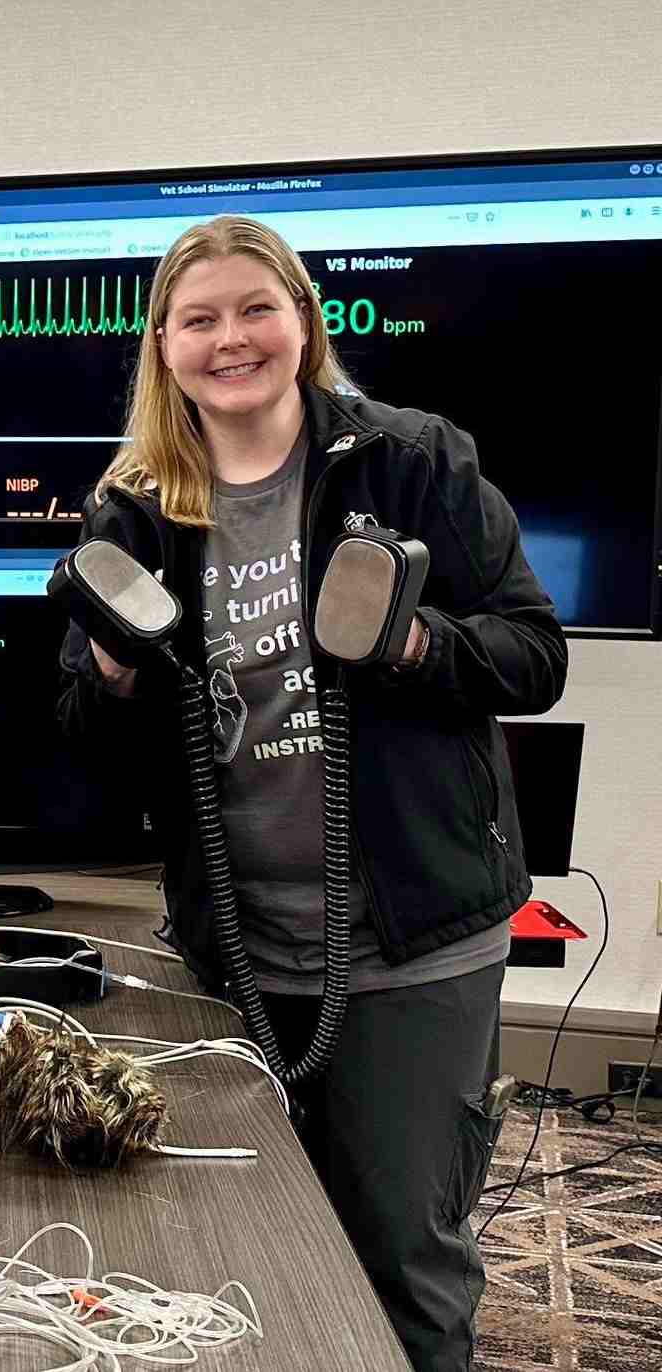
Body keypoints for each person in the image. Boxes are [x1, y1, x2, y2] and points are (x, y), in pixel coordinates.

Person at [58, 215, 566, 1371]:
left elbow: (532, 656)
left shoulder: (413, 459)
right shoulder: (135, 505)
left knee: (397, 1251)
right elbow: (84, 740)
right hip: (231, 944)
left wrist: (406, 644)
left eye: (254, 308)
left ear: (302, 322)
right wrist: (110, 664)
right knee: (236, 1240)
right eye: (198, 318)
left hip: (411, 938)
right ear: (162, 345)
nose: (228, 337)